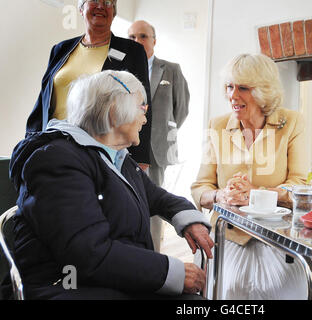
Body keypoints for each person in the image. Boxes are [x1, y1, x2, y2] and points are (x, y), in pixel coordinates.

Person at [7, 70, 213, 300]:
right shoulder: (59, 161)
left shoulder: (114, 157)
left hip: (108, 278)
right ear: (115, 110)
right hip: (69, 285)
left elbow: (156, 196)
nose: (145, 119)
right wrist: (172, 272)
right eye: (142, 108)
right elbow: (88, 254)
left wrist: (188, 218)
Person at [191, 53, 309, 299]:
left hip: (277, 238)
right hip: (229, 237)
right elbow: (200, 187)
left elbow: (300, 184)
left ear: (264, 92)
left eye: (243, 87)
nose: (233, 95)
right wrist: (220, 195)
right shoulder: (218, 125)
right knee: (230, 286)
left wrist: (255, 194)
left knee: (281, 289)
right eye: (229, 87)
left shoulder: (292, 123)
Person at [26, 0, 152, 168]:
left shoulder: (131, 51)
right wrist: (30, 142)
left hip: (102, 150)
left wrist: (140, 159)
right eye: (94, 0)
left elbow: (142, 104)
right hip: (53, 144)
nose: (100, 6)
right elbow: (43, 100)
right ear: (81, 8)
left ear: (113, 12)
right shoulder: (61, 49)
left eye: (107, 2)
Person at [128, 20, 190, 251]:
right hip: (123, 146)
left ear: (154, 40)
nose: (137, 41)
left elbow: (181, 109)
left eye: (143, 36)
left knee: (152, 203)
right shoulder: (121, 67)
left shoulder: (171, 69)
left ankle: (152, 255)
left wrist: (161, 134)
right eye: (132, 37)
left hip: (155, 151)